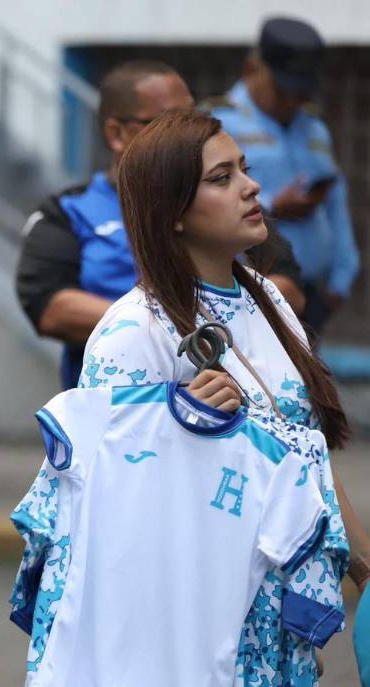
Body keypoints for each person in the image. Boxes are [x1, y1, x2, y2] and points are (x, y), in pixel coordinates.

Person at [79, 108, 369, 683]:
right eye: (221, 178)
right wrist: (183, 429)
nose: (251, 186)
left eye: (245, 169)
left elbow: (303, 451)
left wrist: (365, 566)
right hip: (192, 639)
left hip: (278, 636)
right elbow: (104, 512)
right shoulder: (133, 332)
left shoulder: (265, 296)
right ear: (173, 213)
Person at [17, 60, 306, 390]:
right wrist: (170, 325)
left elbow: (290, 291)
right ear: (116, 133)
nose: (185, 130)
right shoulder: (68, 211)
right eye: (166, 121)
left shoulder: (235, 210)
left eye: (192, 116)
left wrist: (225, 315)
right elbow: (52, 310)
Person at [208, 17, 360, 335]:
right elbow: (202, 200)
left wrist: (340, 283)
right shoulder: (218, 123)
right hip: (249, 296)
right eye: (284, 89)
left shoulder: (314, 126)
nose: (293, 100)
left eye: (301, 91)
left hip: (316, 296)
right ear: (252, 70)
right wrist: (273, 205)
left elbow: (335, 202)